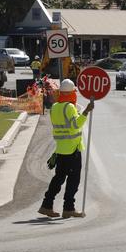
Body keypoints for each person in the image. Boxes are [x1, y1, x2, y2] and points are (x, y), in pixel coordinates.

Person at [39, 79, 94, 219]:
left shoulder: (55, 107)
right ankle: (68, 208)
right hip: (72, 149)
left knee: (58, 179)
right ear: (71, 93)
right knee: (73, 180)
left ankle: (46, 205)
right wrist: (86, 112)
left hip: (60, 150)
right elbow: (76, 125)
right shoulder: (69, 107)